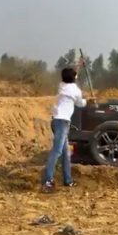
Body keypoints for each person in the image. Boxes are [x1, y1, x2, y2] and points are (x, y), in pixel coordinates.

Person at [41, 62, 93, 193]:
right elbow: (80, 104)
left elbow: (71, 74)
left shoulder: (62, 85)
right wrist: (89, 101)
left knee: (66, 154)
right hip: (62, 123)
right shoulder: (75, 90)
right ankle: (47, 180)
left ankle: (68, 180)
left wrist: (78, 66)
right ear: (74, 78)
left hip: (56, 121)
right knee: (57, 151)